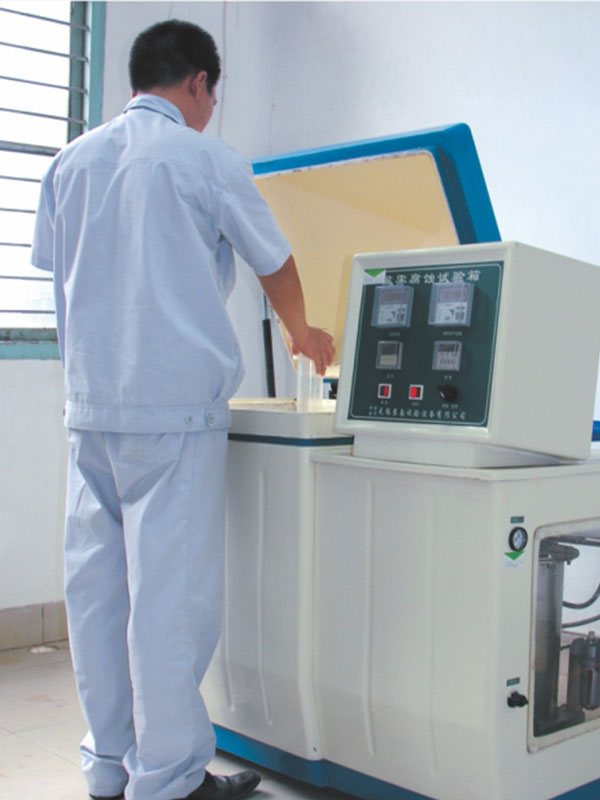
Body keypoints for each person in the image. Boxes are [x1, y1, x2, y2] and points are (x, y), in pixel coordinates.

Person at [31, 19, 334, 800]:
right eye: (210, 97)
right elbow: (275, 262)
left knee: (97, 596)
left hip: (91, 412)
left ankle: (108, 766)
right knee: (169, 604)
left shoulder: (71, 161)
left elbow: (61, 269)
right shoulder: (207, 159)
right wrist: (303, 333)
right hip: (173, 416)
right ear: (197, 82)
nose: (208, 111)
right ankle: (167, 779)